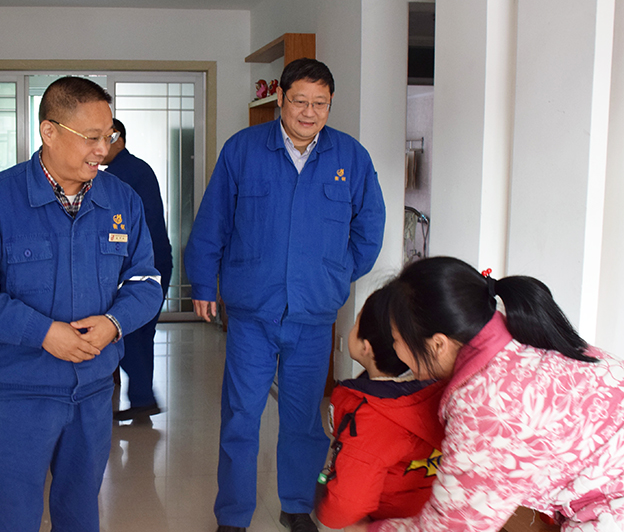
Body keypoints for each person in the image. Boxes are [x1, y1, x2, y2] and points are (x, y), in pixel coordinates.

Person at [0, 76, 163, 532]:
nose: (103, 149)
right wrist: (43, 333)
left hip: (93, 390)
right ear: (49, 131)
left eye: (109, 137)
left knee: (80, 509)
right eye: (92, 137)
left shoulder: (121, 199)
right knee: (9, 515)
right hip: (19, 391)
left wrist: (114, 323)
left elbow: (146, 281)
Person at [184, 58, 386, 532]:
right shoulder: (243, 150)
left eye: (320, 103)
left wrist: (335, 275)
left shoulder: (351, 157)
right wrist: (203, 282)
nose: (309, 112)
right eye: (299, 101)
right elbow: (213, 221)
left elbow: (370, 228)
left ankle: (296, 504)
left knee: (303, 417)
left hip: (313, 315)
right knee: (241, 415)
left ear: (330, 104)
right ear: (280, 98)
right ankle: (233, 514)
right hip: (252, 312)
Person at [355, 256, 624, 532]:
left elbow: (453, 527)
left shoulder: (487, 405)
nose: (395, 349)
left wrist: (364, 530)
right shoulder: (518, 334)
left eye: (396, 340)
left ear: (438, 344)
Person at [315, 286, 445, 530]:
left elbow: (344, 507)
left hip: (388, 523)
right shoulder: (444, 390)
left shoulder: (372, 415)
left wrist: (330, 510)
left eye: (356, 323)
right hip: (434, 518)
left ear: (366, 347)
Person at [100, 117, 173, 421]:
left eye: (103, 139)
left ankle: (144, 397)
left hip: (143, 266)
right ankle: (143, 398)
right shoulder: (136, 168)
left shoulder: (120, 175)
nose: (98, 148)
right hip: (156, 261)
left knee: (126, 331)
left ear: (117, 139)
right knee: (141, 335)